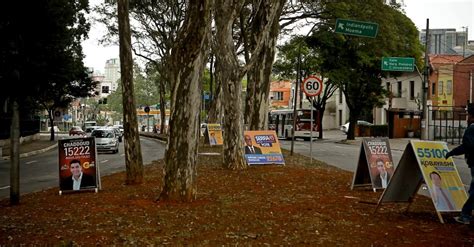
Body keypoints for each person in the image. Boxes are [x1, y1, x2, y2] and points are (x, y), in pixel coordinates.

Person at [445, 103, 474, 224]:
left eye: (468, 115)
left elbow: (467, 146)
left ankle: (465, 214)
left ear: (472, 116)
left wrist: (451, 153)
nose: (467, 117)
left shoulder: (472, 129)